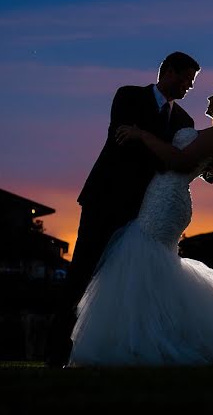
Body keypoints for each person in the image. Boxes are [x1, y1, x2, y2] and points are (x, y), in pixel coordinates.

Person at [67, 82, 213, 367]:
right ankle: (150, 338)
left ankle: (147, 343)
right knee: (153, 267)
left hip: (166, 200)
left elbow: (179, 161)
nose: (209, 97)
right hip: (166, 197)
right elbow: (205, 172)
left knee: (140, 259)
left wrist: (142, 135)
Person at [45, 51, 201, 368]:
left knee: (125, 280)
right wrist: (162, 152)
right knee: (82, 271)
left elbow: (171, 160)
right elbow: (123, 141)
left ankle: (116, 349)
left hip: (144, 209)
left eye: (192, 82)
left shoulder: (184, 121)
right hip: (105, 199)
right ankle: (57, 351)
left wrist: (147, 140)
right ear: (168, 71)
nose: (189, 86)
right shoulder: (128, 96)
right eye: (186, 78)